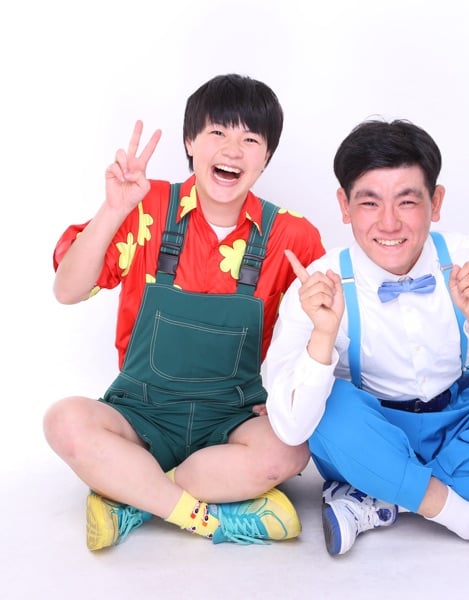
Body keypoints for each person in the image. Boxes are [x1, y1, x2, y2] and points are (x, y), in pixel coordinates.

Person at [263, 118, 469, 556]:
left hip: (455, 416)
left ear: (436, 202)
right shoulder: (318, 282)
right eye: (370, 203)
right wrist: (323, 335)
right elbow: (290, 427)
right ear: (344, 205)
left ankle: (379, 494)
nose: (389, 223)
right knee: (327, 412)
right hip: (372, 427)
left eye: (407, 201)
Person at [44, 73, 325, 551]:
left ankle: (132, 495)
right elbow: (67, 291)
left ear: (267, 157)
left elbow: (316, 331)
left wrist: (286, 392)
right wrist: (113, 209)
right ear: (190, 142)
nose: (232, 150)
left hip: (233, 417)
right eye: (217, 132)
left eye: (250, 139)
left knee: (292, 450)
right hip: (140, 414)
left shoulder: (293, 236)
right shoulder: (144, 206)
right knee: (63, 420)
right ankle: (206, 516)